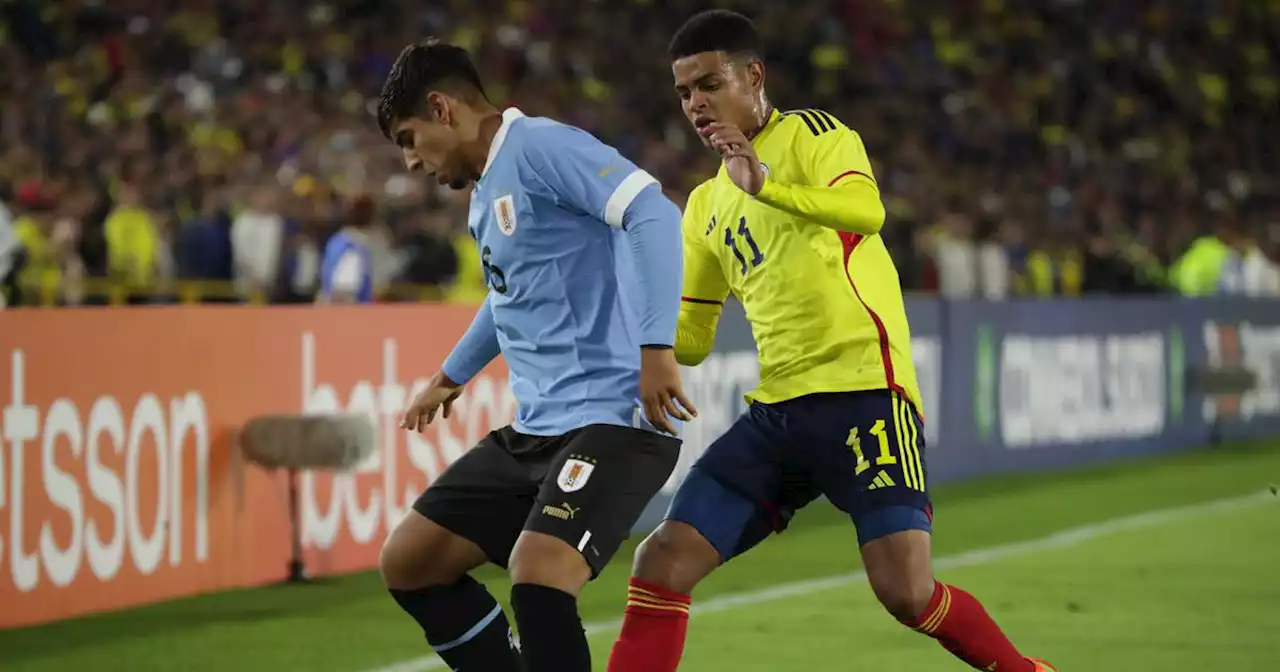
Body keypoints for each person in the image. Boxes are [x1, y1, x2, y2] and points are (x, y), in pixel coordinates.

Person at [606, 11, 1055, 672]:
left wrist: (769, 186)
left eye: (709, 83)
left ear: (753, 76)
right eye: (683, 93)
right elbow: (693, 338)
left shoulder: (814, 135)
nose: (696, 103)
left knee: (906, 592)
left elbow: (867, 211)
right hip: (778, 416)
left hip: (865, 396)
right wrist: (629, 325)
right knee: (663, 560)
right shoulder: (703, 206)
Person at [377, 39, 695, 672]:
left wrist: (656, 347)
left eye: (410, 139)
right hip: (536, 429)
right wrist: (451, 374)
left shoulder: (541, 147)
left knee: (540, 573)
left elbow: (651, 213)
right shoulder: (483, 193)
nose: (411, 162)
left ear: (443, 109)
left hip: (615, 420)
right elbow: (507, 296)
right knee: (410, 562)